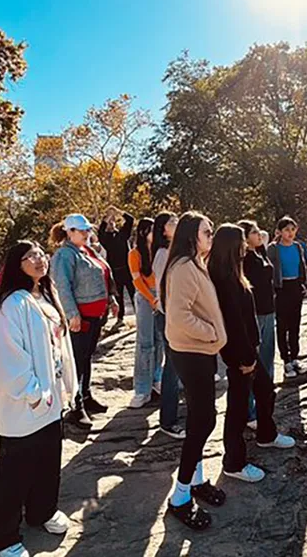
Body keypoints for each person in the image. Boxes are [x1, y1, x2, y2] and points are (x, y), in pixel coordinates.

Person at [0, 241, 77, 557]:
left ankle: (42, 511)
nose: (39, 260)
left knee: (48, 463)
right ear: (16, 265)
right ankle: (2, 534)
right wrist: (34, 394)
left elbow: (59, 347)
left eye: (41, 254)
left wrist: (65, 387)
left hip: (50, 404)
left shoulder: (46, 296)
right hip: (26, 405)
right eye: (30, 256)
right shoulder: (12, 304)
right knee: (17, 472)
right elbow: (6, 359)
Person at [209, 224, 295, 484]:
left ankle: (266, 435)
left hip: (247, 349)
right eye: (241, 242)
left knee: (265, 388)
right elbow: (233, 322)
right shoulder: (223, 279)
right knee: (236, 406)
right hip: (238, 353)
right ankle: (233, 462)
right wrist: (245, 357)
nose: (245, 246)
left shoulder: (234, 273)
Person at [161, 212, 228, 530]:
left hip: (197, 351)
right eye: (207, 231)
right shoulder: (185, 267)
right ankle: (180, 497)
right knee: (202, 422)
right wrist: (211, 333)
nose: (211, 235)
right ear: (191, 236)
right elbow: (178, 316)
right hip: (192, 351)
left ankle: (197, 481)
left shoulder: (193, 263)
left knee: (203, 418)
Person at [50, 214, 119, 430]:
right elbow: (63, 286)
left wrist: (111, 298)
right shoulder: (65, 255)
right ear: (69, 232)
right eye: (82, 231)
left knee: (86, 357)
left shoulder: (86, 251)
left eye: (87, 230)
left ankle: (86, 394)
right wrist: (71, 314)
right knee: (77, 360)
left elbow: (103, 275)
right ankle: (75, 405)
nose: (87, 233)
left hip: (95, 314)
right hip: (81, 316)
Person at [237, 220, 276, 428]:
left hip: (269, 312)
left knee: (268, 360)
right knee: (255, 363)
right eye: (254, 232)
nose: (259, 234)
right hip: (256, 314)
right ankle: (251, 411)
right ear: (244, 237)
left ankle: (266, 405)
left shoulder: (260, 252)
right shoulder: (244, 260)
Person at [152, 212, 186, 439]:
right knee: (172, 369)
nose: (177, 223)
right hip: (169, 316)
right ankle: (168, 420)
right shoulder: (164, 254)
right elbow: (167, 290)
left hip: (174, 315)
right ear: (163, 230)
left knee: (177, 368)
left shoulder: (176, 252)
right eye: (171, 222)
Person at [267, 216, 307, 380]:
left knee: (295, 325)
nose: (290, 233)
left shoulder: (298, 246)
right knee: (282, 325)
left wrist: (305, 284)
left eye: (293, 229)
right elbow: (269, 269)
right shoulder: (273, 248)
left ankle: (294, 358)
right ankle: (285, 360)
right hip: (281, 288)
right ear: (280, 231)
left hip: (295, 288)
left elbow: (302, 266)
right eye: (287, 229)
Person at [127, 217, 164, 408]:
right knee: (145, 343)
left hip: (161, 297)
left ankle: (157, 378)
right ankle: (141, 389)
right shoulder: (135, 253)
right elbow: (136, 280)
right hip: (145, 297)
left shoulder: (160, 252)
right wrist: (152, 299)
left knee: (160, 342)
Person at [98, 206, 135, 328]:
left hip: (128, 269)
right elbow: (100, 231)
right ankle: (120, 318)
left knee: (133, 293)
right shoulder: (105, 239)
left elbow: (130, 220)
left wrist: (118, 211)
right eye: (109, 222)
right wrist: (106, 218)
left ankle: (140, 316)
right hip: (115, 271)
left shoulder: (122, 235)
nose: (111, 223)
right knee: (119, 296)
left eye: (113, 221)